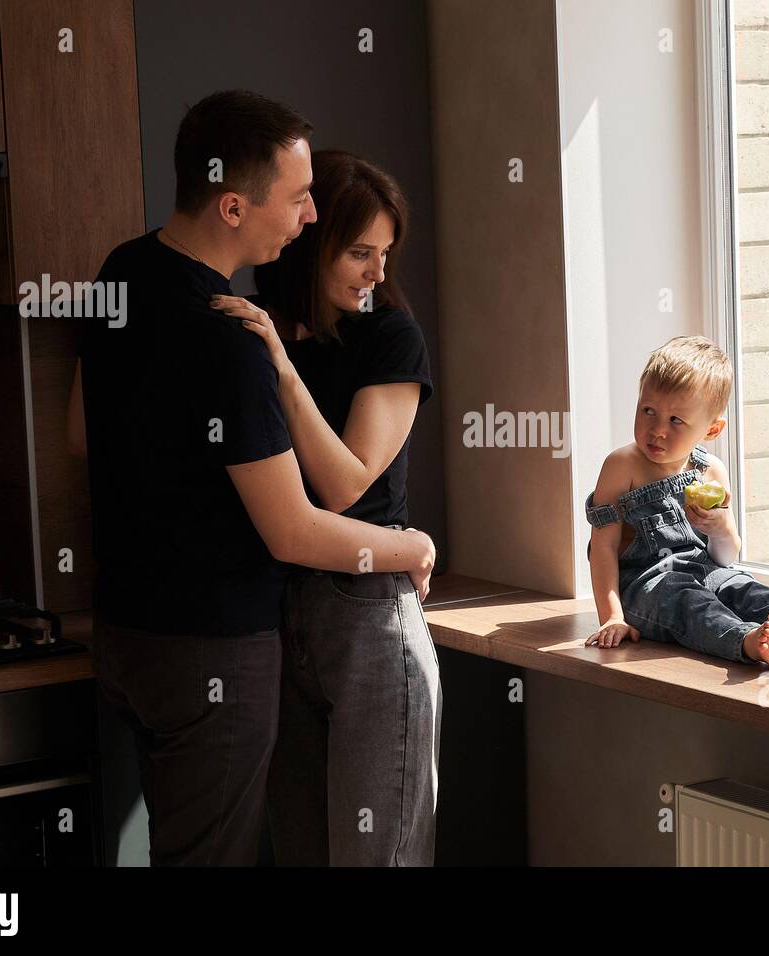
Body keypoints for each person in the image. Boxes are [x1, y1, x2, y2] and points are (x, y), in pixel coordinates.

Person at [66, 91, 435, 866]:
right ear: (234, 206)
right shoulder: (231, 335)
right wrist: (413, 546)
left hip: (128, 633)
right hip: (214, 644)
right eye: (299, 199)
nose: (305, 215)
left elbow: (78, 435)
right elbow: (294, 527)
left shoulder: (121, 273)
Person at [210, 150, 440, 866]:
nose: (377, 272)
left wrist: (280, 368)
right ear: (310, 242)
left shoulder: (391, 336)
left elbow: (344, 485)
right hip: (277, 615)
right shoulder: (254, 324)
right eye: (359, 252)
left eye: (385, 254)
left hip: (368, 615)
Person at [583, 335, 769, 666]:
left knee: (747, 589)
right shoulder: (622, 466)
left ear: (712, 430)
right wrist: (612, 616)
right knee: (691, 603)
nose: (657, 430)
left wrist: (722, 529)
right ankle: (750, 641)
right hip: (646, 588)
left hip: (706, 570)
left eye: (675, 420)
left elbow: (724, 558)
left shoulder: (710, 471)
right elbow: (603, 548)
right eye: (648, 410)